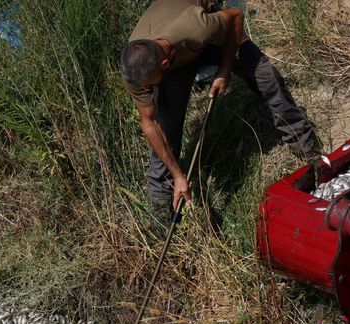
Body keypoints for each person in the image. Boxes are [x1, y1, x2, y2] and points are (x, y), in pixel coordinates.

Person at [120, 0, 320, 233]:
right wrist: (178, 175)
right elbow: (150, 124)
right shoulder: (135, 66)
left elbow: (235, 16)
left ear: (163, 64)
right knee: (166, 131)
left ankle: (307, 149)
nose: (146, 90)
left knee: (266, 77)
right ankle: (163, 221)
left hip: (213, 40)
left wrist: (224, 70)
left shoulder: (195, 27)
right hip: (174, 65)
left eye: (149, 85)